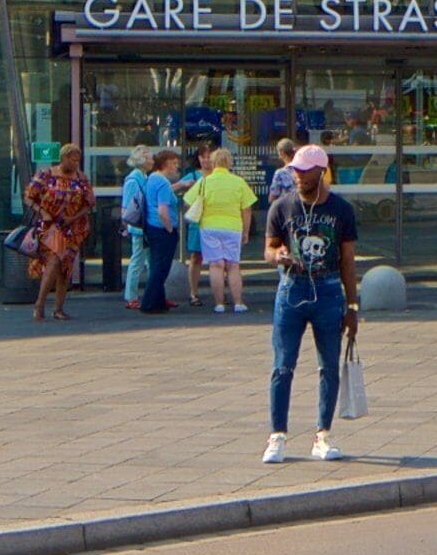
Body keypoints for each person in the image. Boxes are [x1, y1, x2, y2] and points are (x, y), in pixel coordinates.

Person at [260, 145, 360, 464]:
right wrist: (278, 255)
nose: (298, 175)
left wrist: (353, 306)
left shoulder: (341, 210)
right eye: (295, 170)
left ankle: (323, 435)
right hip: (292, 290)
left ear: (321, 171)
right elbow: (269, 248)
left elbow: (347, 260)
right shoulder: (282, 207)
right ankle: (277, 436)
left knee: (328, 366)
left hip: (328, 291)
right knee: (282, 365)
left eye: (304, 171)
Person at [22, 146, 93, 321]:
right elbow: (28, 196)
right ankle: (39, 304)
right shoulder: (47, 174)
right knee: (53, 260)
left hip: (73, 227)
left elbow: (89, 203)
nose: (75, 164)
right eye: (72, 160)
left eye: (78, 160)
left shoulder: (81, 179)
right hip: (50, 226)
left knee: (65, 267)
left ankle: (58, 308)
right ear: (63, 158)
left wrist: (73, 217)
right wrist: (42, 211)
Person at [188, 145, 258, 315]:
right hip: (233, 227)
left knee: (216, 265)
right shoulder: (238, 182)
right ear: (229, 162)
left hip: (209, 227)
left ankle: (219, 303)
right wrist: (246, 231)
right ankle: (238, 302)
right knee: (233, 265)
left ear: (213, 162)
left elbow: (189, 201)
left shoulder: (204, 181)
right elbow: (247, 209)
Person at [119, 148, 183, 314]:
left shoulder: (148, 178)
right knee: (141, 261)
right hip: (142, 227)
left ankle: (158, 297)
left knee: (152, 262)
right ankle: (133, 297)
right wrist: (169, 229)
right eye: (148, 158)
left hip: (148, 226)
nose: (152, 161)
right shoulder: (134, 179)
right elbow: (129, 205)